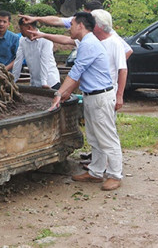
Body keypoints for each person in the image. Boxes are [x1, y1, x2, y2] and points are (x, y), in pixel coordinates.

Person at [49, 12, 123, 191]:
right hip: (92, 96)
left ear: (81, 25)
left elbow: (76, 72)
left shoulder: (89, 44)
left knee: (107, 137)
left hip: (100, 96)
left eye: (72, 24)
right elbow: (82, 75)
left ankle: (115, 175)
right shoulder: (86, 43)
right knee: (95, 137)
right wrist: (67, 92)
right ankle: (96, 172)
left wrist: (59, 93)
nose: (69, 28)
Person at [10, 17, 61, 89]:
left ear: (29, 27)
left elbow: (44, 61)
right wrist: (13, 80)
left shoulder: (45, 40)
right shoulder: (22, 40)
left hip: (50, 82)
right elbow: (18, 60)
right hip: (35, 82)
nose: (20, 31)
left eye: (21, 29)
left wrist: (44, 82)